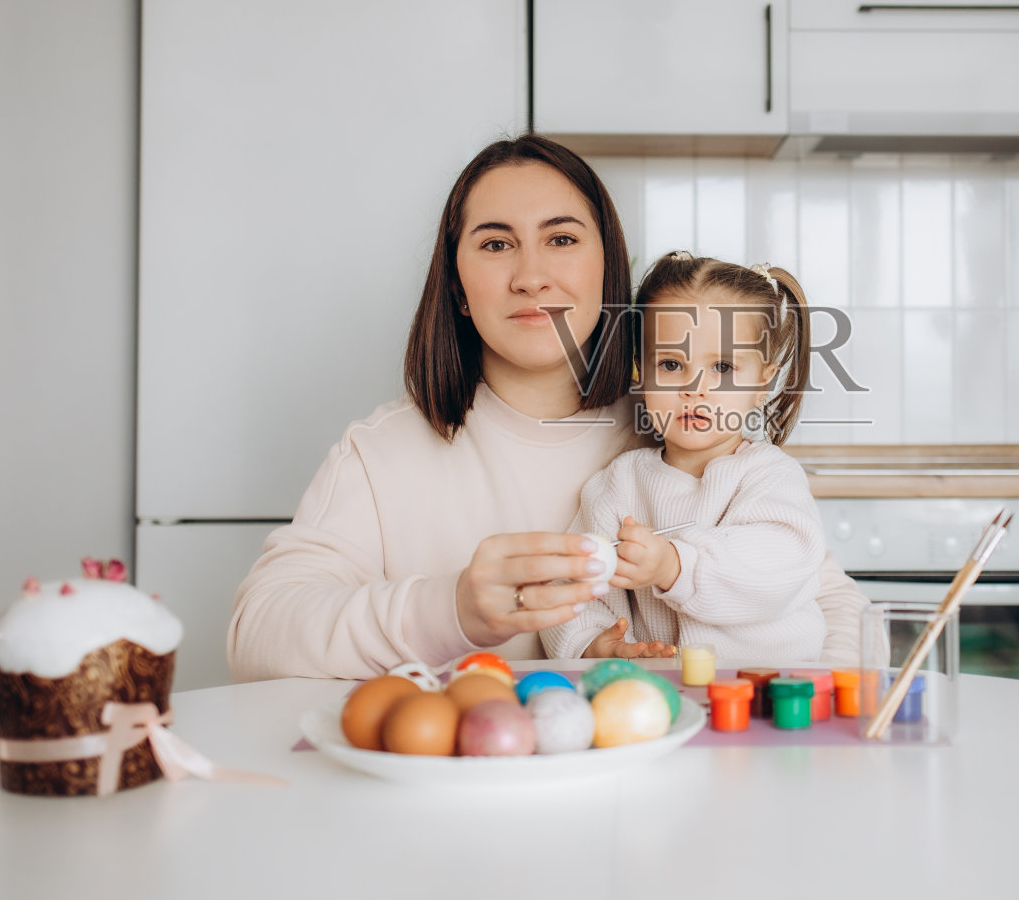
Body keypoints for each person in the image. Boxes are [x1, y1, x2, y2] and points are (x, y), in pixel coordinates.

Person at [227, 135, 870, 681]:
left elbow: (826, 603)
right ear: (458, 289)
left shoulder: (684, 430)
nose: (531, 275)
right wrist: (452, 609)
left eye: (560, 239)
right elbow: (256, 636)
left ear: (606, 266)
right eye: (496, 243)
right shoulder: (382, 451)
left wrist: (814, 725)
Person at [543, 253, 825, 661]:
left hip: (771, 686)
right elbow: (573, 582)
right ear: (641, 372)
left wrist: (675, 565)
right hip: (665, 693)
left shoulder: (769, 475)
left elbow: (780, 562)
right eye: (672, 364)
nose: (696, 387)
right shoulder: (621, 483)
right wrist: (593, 643)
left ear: (762, 382)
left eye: (723, 367)